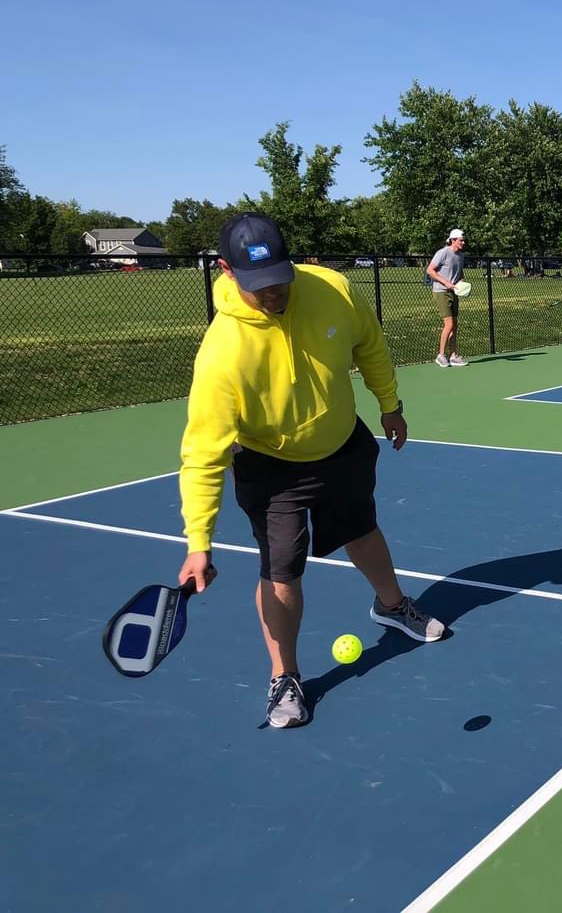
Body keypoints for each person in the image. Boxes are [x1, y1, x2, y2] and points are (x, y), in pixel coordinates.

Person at [177, 212, 445, 729]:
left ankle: (391, 606)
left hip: (343, 443)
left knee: (362, 530)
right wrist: (198, 540)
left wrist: (389, 403)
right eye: (258, 285)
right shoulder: (222, 356)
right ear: (228, 273)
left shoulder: (332, 287)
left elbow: (369, 342)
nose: (273, 291)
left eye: (279, 277)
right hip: (272, 468)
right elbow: (203, 455)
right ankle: (285, 676)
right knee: (282, 574)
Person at [426, 228, 468, 367]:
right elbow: (430, 270)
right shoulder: (442, 253)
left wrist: (461, 284)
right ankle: (441, 355)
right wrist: (446, 283)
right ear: (453, 240)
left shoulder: (461, 255)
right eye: (460, 240)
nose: (463, 242)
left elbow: (459, 273)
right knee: (449, 324)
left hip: (453, 292)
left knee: (454, 325)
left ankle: (453, 356)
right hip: (441, 291)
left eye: (463, 240)